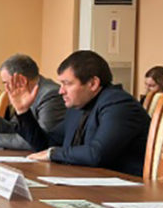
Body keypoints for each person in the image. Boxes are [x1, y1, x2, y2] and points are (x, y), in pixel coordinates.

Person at [11, 50, 151, 176]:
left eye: (67, 83)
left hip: (127, 188)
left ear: (93, 83)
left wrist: (53, 153)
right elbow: (47, 145)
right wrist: (23, 112)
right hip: (90, 182)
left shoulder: (119, 105)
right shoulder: (78, 106)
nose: (61, 91)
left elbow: (96, 154)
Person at [0, 54, 66, 150]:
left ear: (22, 80)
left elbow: (41, 141)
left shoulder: (51, 95)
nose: (6, 89)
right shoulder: (25, 94)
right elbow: (14, 129)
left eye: (6, 83)